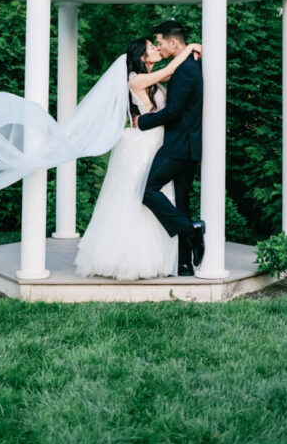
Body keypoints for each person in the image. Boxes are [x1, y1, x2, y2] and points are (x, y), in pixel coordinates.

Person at [74, 35, 202, 281]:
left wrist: (194, 52)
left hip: (158, 142)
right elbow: (173, 67)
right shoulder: (137, 79)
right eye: (152, 47)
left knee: (159, 195)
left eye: (157, 45)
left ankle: (173, 255)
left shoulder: (152, 77)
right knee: (139, 196)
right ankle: (138, 256)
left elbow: (172, 72)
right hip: (144, 144)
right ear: (143, 57)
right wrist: (190, 48)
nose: (156, 49)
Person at [133, 20, 205, 277]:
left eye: (160, 43)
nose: (159, 48)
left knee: (147, 191)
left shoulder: (185, 69)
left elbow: (173, 111)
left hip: (177, 145)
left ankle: (191, 232)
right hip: (189, 144)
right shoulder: (189, 65)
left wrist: (142, 123)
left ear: (174, 42)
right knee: (182, 201)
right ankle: (184, 262)